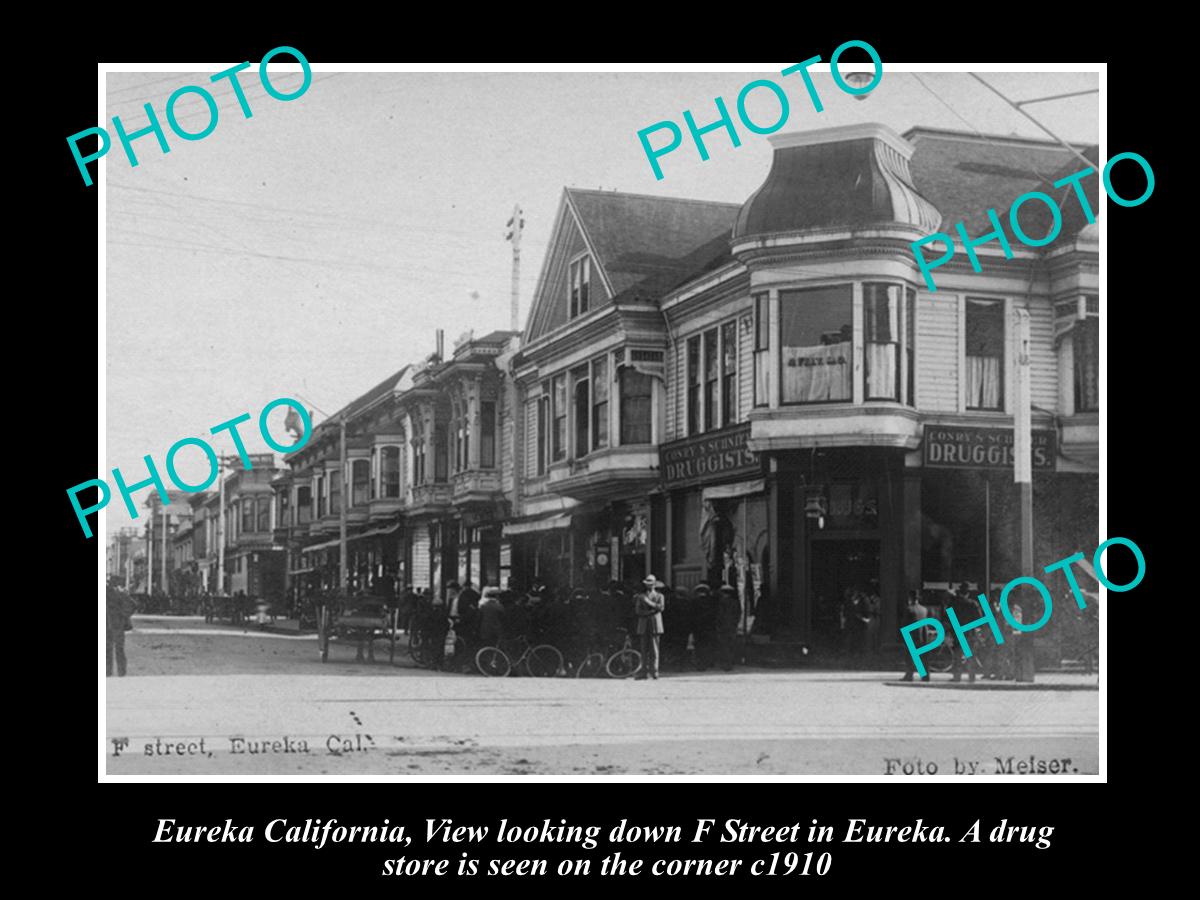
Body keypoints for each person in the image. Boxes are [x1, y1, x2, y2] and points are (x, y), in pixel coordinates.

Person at [633, 575, 665, 680]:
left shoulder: (660, 596)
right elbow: (638, 611)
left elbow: (661, 607)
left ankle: (654, 671)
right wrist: (650, 612)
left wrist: (648, 602)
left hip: (655, 625)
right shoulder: (640, 596)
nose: (649, 586)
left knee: (654, 649)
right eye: (647, 584)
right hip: (643, 624)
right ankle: (644, 671)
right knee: (643, 649)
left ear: (654, 584)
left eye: (651, 584)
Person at [899, 590, 932, 682]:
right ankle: (925, 676)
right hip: (923, 636)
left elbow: (904, 623)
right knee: (923, 656)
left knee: (909, 656)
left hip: (912, 636)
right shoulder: (924, 609)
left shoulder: (909, 609)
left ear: (910, 598)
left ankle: (909, 675)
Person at [106, 584, 136, 677]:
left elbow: (132, 605)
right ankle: (117, 673)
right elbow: (132, 605)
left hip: (115, 624)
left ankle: (114, 672)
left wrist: (122, 615)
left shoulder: (117, 593)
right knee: (114, 649)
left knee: (115, 649)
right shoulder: (118, 592)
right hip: (114, 624)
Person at [716, 584, 740, 671]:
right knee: (731, 645)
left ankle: (725, 663)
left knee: (723, 645)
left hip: (723, 627)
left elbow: (719, 615)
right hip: (732, 627)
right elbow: (738, 615)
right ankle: (730, 663)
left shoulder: (721, 602)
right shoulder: (735, 602)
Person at [692, 583, 716, 670]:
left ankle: (700, 664)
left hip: (698, 627)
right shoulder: (712, 601)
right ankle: (709, 662)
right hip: (709, 627)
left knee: (699, 645)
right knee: (708, 644)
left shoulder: (694, 601)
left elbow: (692, 615)